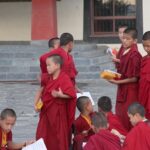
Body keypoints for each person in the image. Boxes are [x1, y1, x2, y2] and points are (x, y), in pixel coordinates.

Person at [35, 54, 76, 150]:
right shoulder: (46, 78)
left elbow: (72, 95)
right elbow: (40, 90)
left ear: (57, 65)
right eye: (46, 65)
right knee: (42, 135)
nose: (47, 67)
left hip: (58, 115)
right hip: (45, 113)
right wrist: (36, 104)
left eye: (49, 65)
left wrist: (60, 95)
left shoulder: (64, 78)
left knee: (58, 139)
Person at [108, 28, 142, 131]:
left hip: (130, 90)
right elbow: (124, 66)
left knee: (128, 115)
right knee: (120, 114)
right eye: (123, 38)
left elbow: (134, 78)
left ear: (135, 41)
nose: (124, 41)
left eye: (128, 39)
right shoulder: (124, 50)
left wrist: (117, 82)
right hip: (122, 88)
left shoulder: (135, 55)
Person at [138, 31, 150, 120]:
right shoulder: (144, 59)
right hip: (143, 93)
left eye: (148, 46)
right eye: (144, 46)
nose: (146, 49)